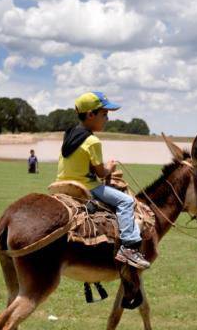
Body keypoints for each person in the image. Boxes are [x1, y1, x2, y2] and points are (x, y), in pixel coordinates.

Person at [55, 91, 150, 269]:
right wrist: (110, 167)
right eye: (104, 114)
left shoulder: (70, 135)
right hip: (87, 186)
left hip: (62, 184)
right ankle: (129, 247)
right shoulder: (92, 141)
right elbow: (100, 172)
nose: (107, 119)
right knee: (126, 201)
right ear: (91, 115)